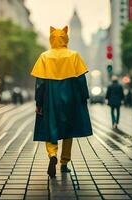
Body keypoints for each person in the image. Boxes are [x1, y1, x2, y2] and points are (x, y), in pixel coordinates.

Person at [30, 26, 92, 178]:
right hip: (70, 99)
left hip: (50, 100)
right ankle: (64, 163)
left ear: (51, 38)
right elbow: (81, 81)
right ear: (66, 38)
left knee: (51, 128)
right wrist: (84, 97)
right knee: (68, 131)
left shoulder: (44, 57)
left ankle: (52, 155)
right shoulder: (74, 56)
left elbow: (40, 84)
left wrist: (39, 102)